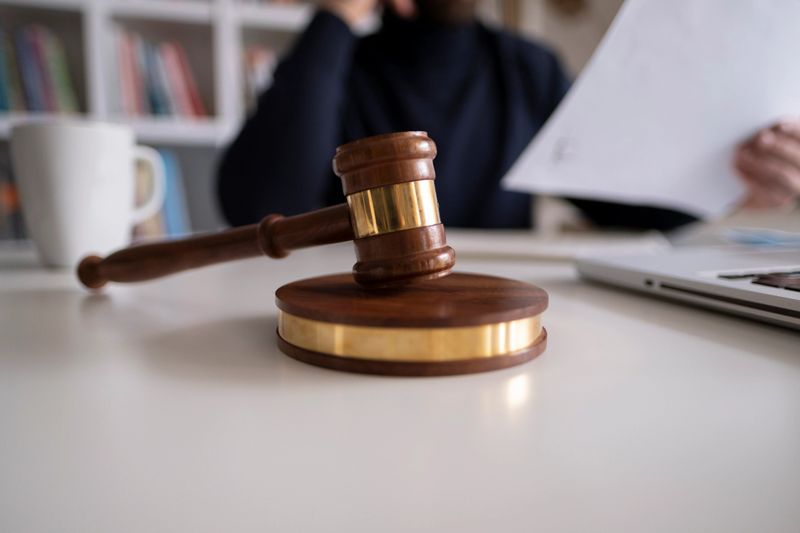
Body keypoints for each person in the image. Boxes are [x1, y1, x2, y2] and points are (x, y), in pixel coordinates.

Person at [217, 0, 800, 230]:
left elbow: (618, 196)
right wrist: (335, 14)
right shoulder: (334, 67)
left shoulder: (527, 69)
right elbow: (260, 209)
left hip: (500, 329)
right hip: (351, 322)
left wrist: (734, 179)